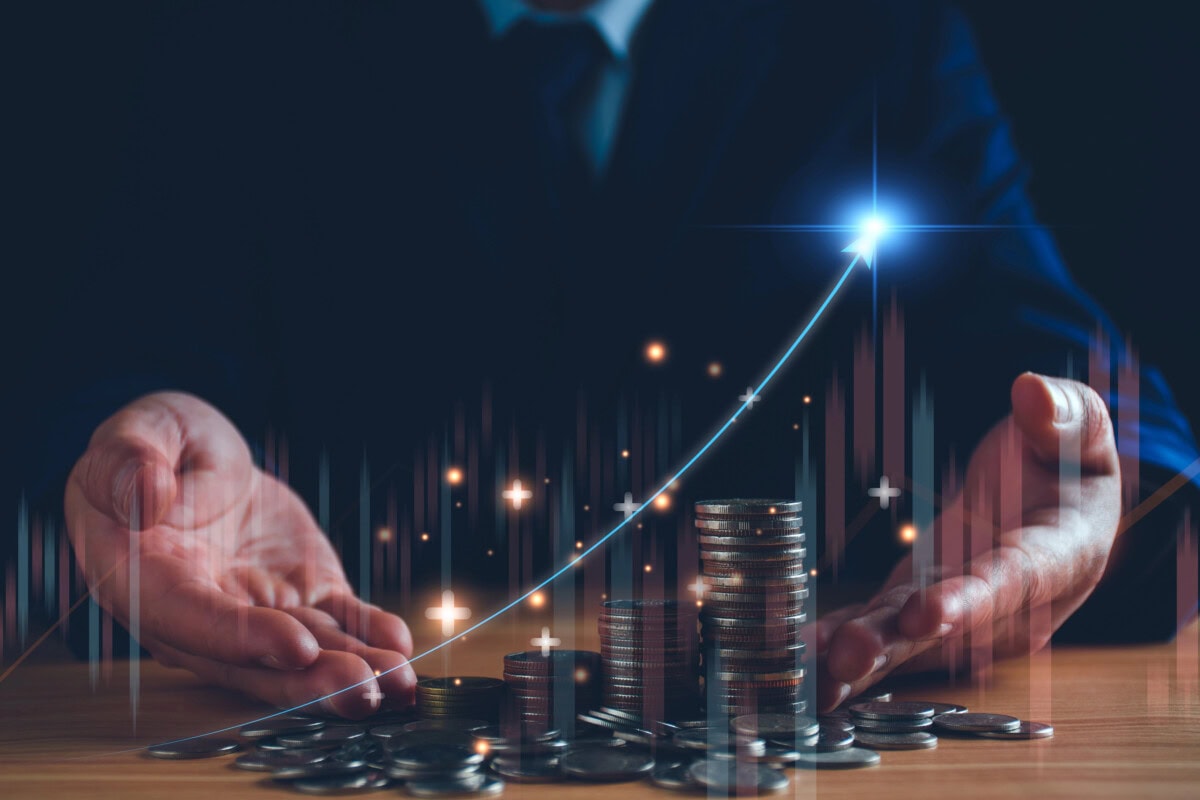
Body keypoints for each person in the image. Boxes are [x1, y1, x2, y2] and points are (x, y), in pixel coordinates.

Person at [8, 0, 1197, 718]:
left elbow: (1034, 326)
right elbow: (119, 344)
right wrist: (130, 460)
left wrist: (1098, 468)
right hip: (351, 686)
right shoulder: (240, 36)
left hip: (777, 698)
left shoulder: (870, 29)